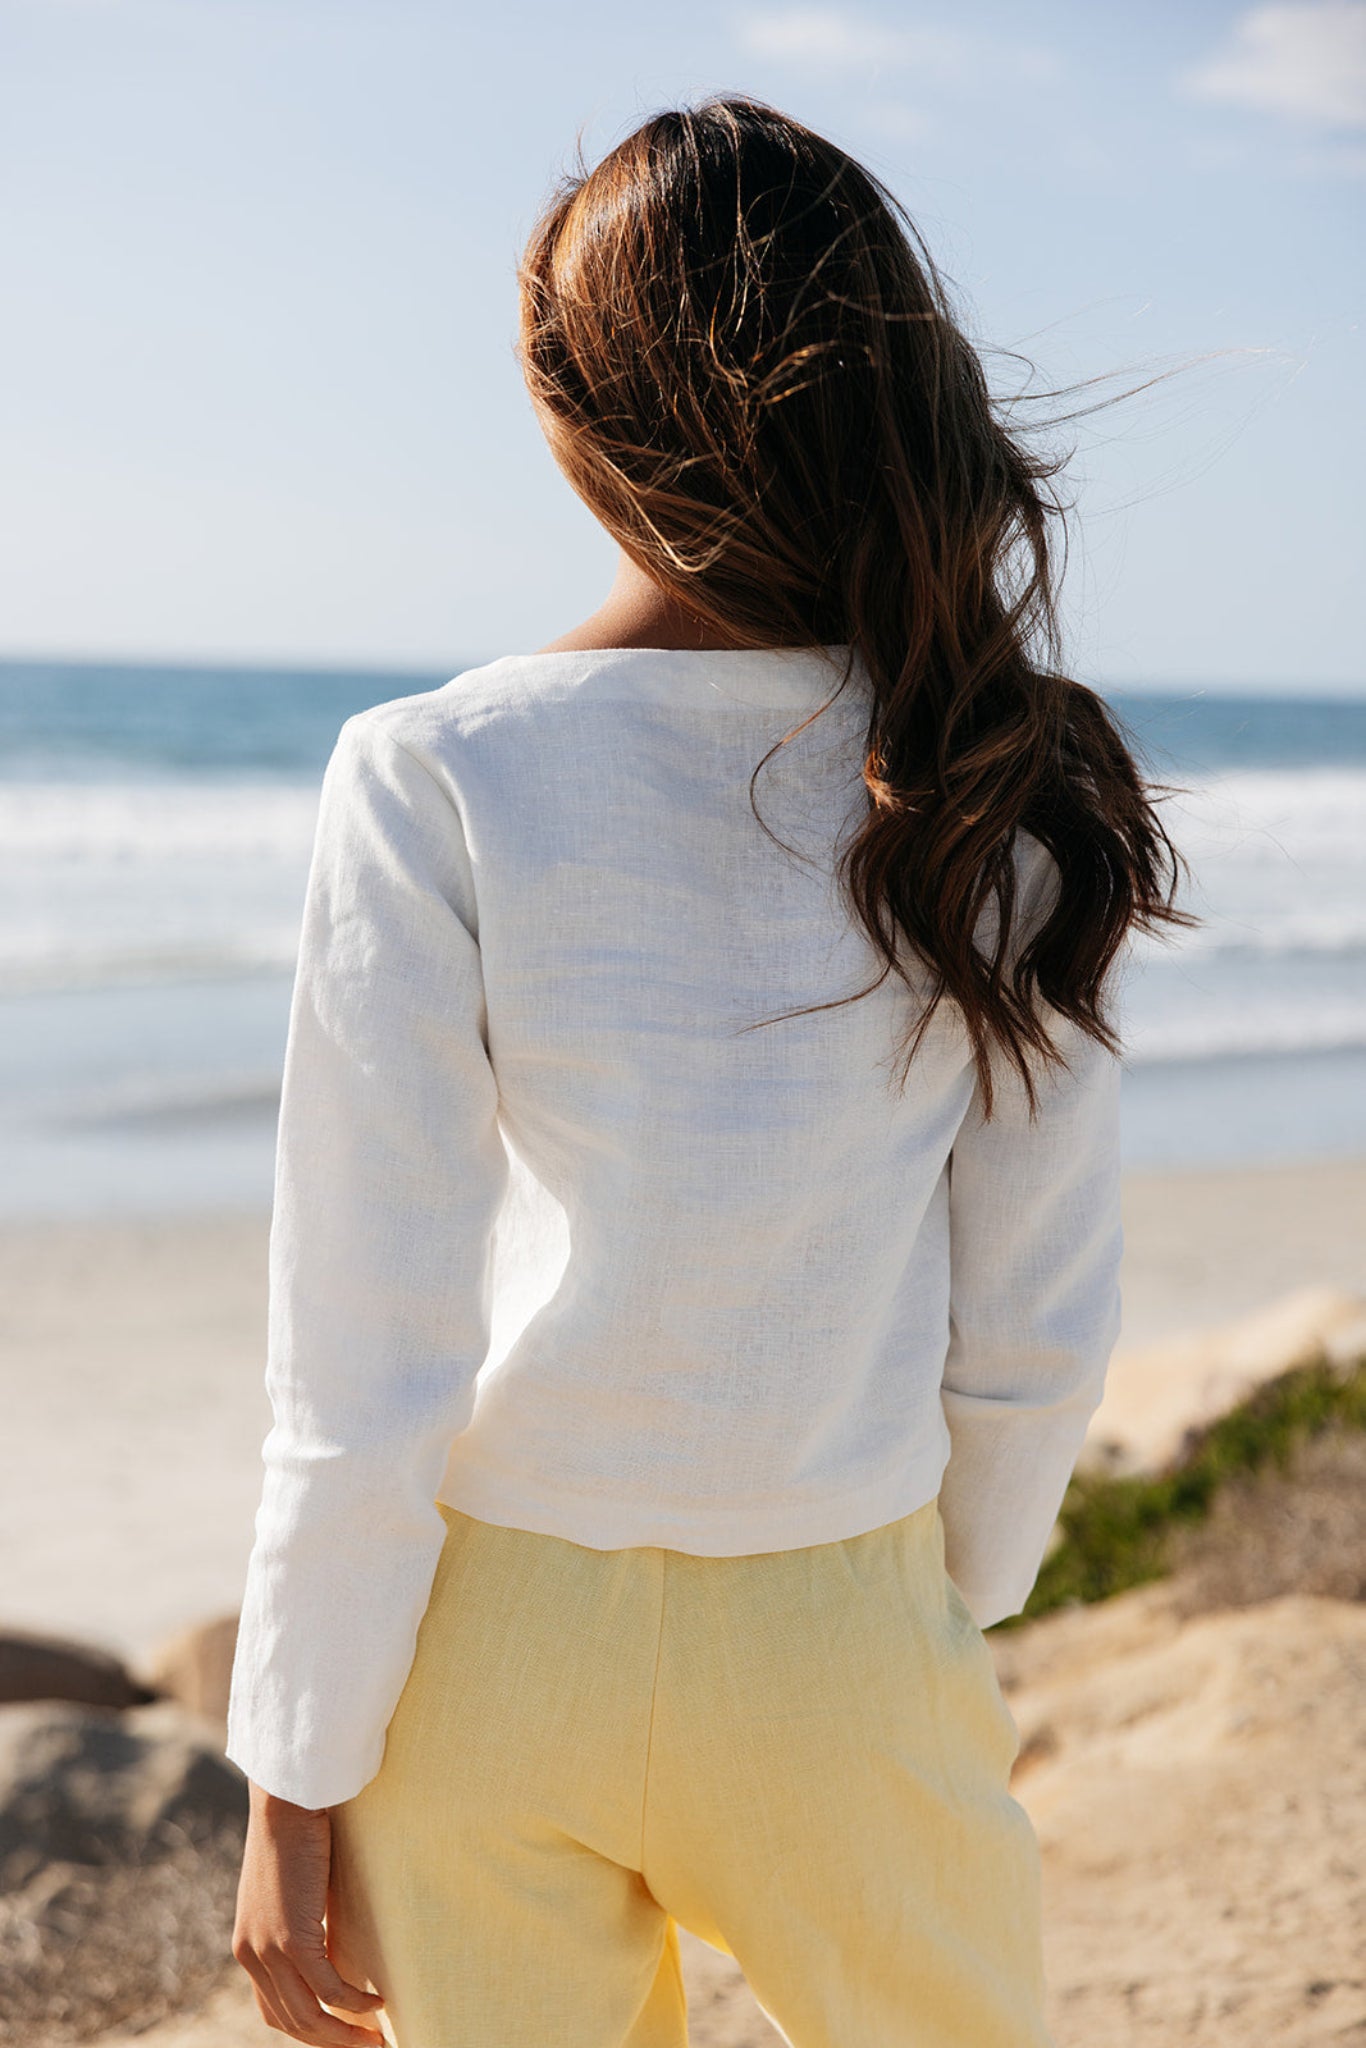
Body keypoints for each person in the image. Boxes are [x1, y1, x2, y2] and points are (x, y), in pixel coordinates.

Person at [225, 95, 1189, 2048]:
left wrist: (295, 1750)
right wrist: (949, 1592)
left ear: (572, 416)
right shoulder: (995, 783)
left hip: (485, 1648)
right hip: (842, 1622)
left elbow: (364, 1332)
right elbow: (1033, 1319)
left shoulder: (435, 771)